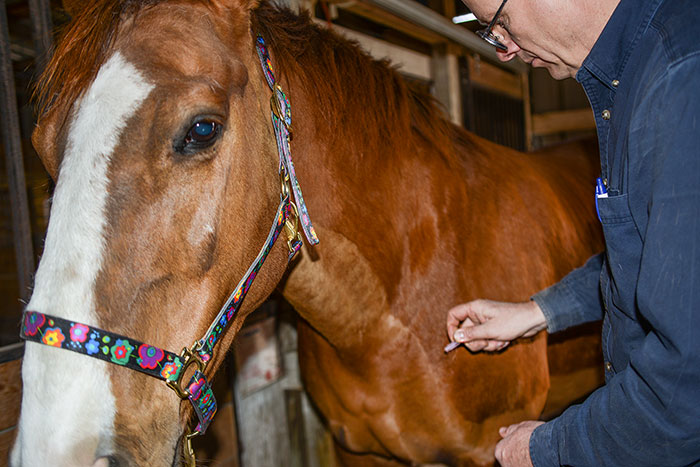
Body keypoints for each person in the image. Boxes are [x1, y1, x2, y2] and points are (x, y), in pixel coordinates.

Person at [446, 0, 700, 465]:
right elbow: (649, 261)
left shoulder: (680, 81)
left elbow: (682, 396)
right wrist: (534, 312)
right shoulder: (632, 79)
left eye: (499, 23)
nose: (502, 50)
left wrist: (546, 448)